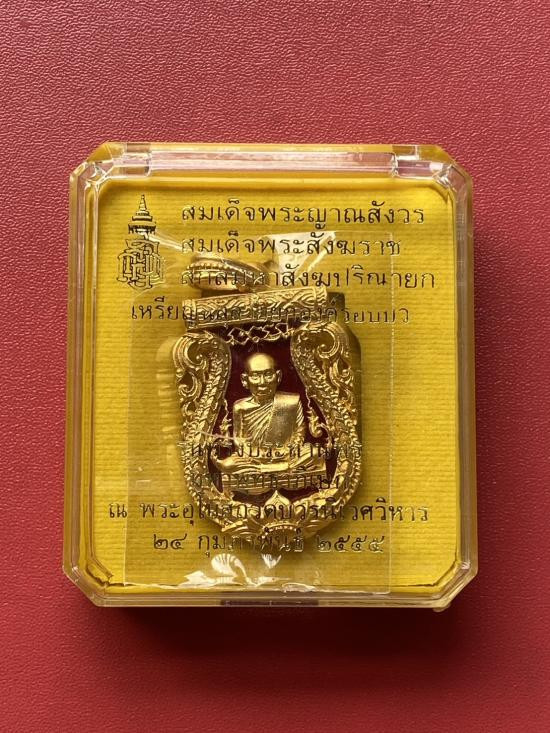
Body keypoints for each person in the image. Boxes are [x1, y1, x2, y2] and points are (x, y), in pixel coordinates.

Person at [212, 353, 325, 493]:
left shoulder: (291, 402)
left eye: (268, 374)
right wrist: (256, 455)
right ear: (245, 380)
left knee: (315, 453)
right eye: (255, 376)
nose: (262, 382)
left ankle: (272, 470)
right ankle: (278, 469)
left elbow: (299, 432)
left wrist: (287, 451)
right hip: (254, 459)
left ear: (278, 376)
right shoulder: (240, 407)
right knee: (229, 465)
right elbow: (239, 440)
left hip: (287, 455)